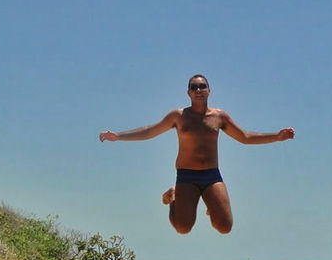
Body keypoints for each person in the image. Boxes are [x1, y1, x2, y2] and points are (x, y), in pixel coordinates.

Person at [99, 74, 295, 235]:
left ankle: (212, 205)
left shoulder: (219, 116)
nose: (198, 90)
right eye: (194, 87)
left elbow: (245, 137)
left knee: (224, 227)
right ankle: (173, 199)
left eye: (202, 86)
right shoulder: (178, 116)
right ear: (189, 93)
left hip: (211, 175)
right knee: (183, 228)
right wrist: (118, 136)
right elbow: (150, 131)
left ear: (209, 90)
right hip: (186, 176)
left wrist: (277, 137)